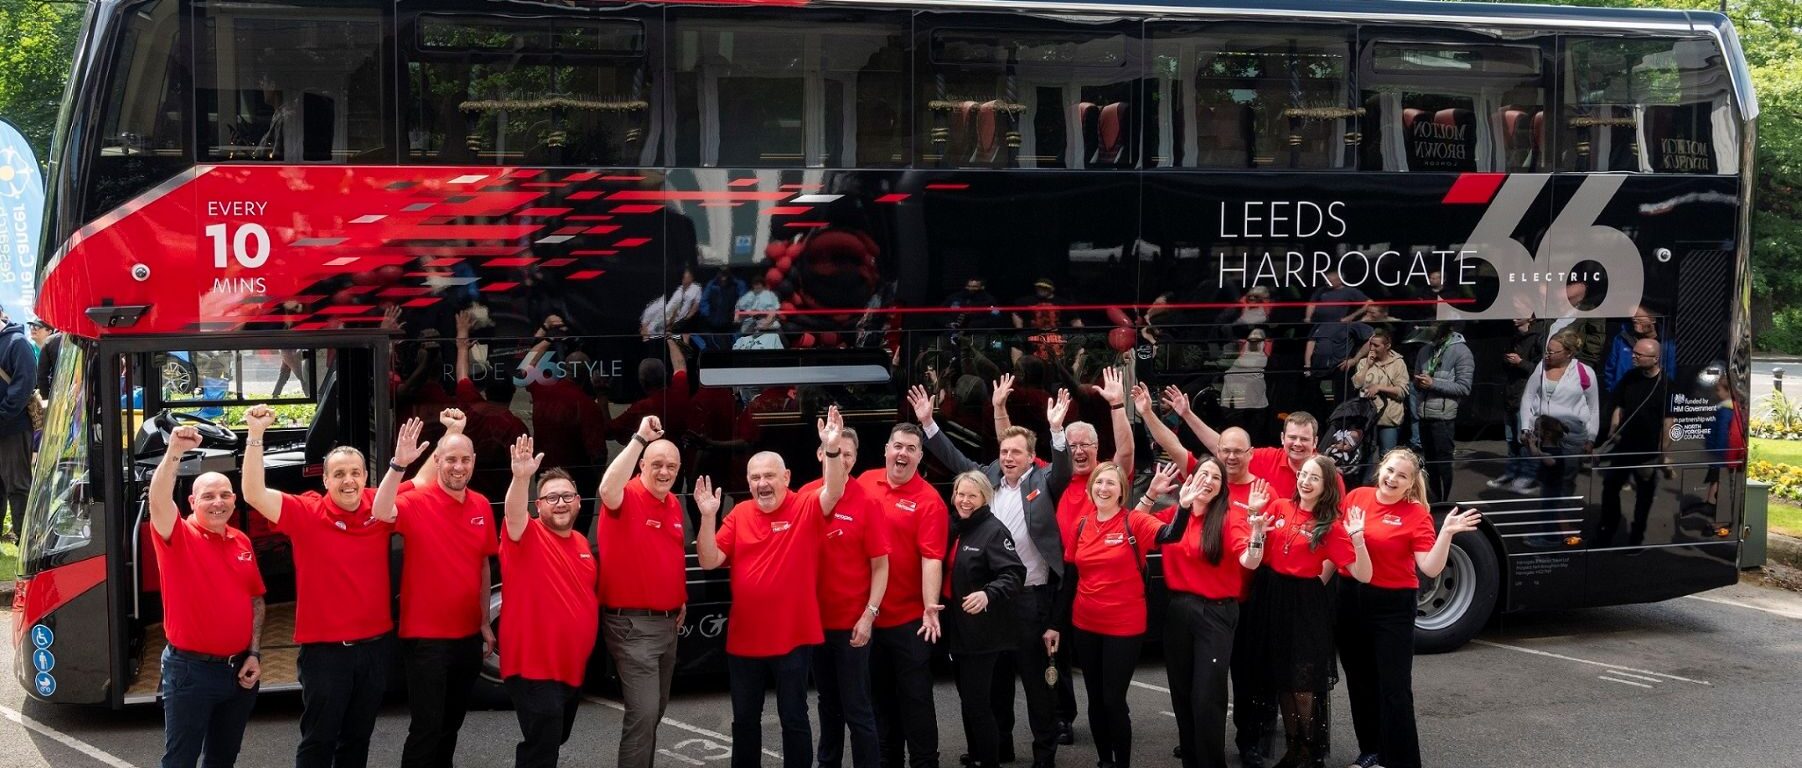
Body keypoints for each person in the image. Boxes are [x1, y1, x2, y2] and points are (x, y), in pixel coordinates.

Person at [912, 383, 1072, 768]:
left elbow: (1064, 469)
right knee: (996, 683)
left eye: (1016, 452)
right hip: (991, 601)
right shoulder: (987, 478)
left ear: (1033, 458)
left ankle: (1044, 756)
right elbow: (953, 459)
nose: (1009, 457)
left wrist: (1056, 431)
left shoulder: (1043, 483)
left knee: (1036, 685)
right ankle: (998, 748)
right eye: (1004, 451)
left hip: (1031, 598)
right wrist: (929, 424)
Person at [240, 404, 397, 768]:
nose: (348, 480)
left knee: (357, 740)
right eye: (339, 473)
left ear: (366, 477)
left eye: (355, 473)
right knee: (319, 741)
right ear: (325, 480)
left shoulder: (380, 505)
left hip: (375, 650)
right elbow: (252, 492)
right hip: (327, 655)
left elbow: (423, 482)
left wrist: (451, 432)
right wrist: (256, 434)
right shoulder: (306, 512)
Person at [696, 406, 853, 768]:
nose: (761, 483)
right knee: (745, 721)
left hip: (792, 637)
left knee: (794, 717)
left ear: (786, 477)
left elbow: (834, 489)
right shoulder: (739, 514)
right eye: (754, 477)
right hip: (745, 640)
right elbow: (708, 559)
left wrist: (831, 449)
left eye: (769, 476)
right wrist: (707, 517)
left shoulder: (805, 507)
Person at [990, 366, 1134, 749]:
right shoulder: (1047, 475)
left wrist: (1118, 405)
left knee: (1078, 653)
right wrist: (1000, 406)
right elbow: (1010, 445)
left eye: (1087, 443)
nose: (1080, 450)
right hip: (1055, 577)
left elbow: (1127, 452)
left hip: (1091, 579)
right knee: (1053, 651)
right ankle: (1060, 717)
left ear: (1095, 446)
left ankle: (1086, 720)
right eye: (1073, 445)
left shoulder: (1105, 478)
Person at [1336, 450, 1481, 768]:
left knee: (1394, 688)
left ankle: (1400, 761)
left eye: (1401, 475)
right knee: (1359, 681)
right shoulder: (1357, 497)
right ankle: (1370, 752)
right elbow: (1337, 543)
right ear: (1379, 469)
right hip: (1350, 597)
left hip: (1393, 605)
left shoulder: (1416, 514)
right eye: (1389, 471)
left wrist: (1447, 533)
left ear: (1411, 483)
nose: (1392, 478)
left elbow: (1429, 568)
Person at [372, 420, 498, 768]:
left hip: (468, 636)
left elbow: (483, 565)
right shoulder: (415, 501)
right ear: (438, 461)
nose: (458, 467)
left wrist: (485, 621)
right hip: (426, 639)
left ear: (473, 461)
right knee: (427, 726)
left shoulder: (482, 505)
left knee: (451, 724)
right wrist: (398, 464)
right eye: (450, 459)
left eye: (465, 460)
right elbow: (380, 511)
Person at [1049, 462, 1191, 768]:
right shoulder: (1082, 525)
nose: (1103, 488)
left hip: (1124, 627)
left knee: (1113, 701)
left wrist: (1185, 506)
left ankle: (1122, 763)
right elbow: (1070, 579)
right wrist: (1055, 625)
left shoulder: (1134, 521)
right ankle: (1105, 761)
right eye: (1099, 483)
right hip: (1085, 624)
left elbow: (1170, 534)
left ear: (1122, 491)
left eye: (1111, 484)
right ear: (1091, 488)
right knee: (1096, 700)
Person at [1241, 457, 1371, 768]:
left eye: (1315, 478)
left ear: (1326, 487)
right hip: (1272, 595)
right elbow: (1255, 555)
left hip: (1304, 602)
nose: (1306, 481)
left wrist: (1358, 539)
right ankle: (1295, 747)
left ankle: (1310, 752)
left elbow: (1363, 574)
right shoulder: (1279, 507)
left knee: (1303, 682)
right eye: (1303, 475)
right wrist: (1255, 521)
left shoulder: (1332, 527)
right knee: (1282, 678)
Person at [149, 426, 264, 768]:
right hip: (190, 672)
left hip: (239, 671)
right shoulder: (177, 534)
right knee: (180, 760)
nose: (218, 502)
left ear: (234, 499)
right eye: (208, 496)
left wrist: (254, 654)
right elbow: (157, 499)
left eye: (225, 495)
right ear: (192, 502)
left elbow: (256, 600)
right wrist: (174, 453)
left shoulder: (241, 540)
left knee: (223, 759)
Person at [499, 436, 601, 768]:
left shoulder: (582, 542)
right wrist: (521, 477)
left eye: (567, 496)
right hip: (533, 668)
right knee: (541, 748)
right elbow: (514, 513)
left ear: (579, 502)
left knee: (553, 740)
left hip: (569, 669)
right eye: (551, 497)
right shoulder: (525, 535)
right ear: (538, 505)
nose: (560, 503)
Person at [1158, 457, 1265, 768]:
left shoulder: (1230, 518)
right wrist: (1152, 494)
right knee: (1181, 692)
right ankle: (1191, 757)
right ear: (1190, 480)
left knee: (1207, 696)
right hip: (1178, 609)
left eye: (1215, 478)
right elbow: (1135, 525)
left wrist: (1257, 532)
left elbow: (1250, 560)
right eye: (1202, 473)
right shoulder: (1176, 513)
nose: (1208, 480)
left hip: (1215, 614)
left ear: (1221, 489)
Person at [595, 416, 689, 768]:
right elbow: (606, 489)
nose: (665, 472)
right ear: (642, 465)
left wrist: (679, 596)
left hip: (666, 625)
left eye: (672, 467)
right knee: (645, 714)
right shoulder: (627, 495)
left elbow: (667, 553)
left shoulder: (672, 503)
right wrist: (639, 438)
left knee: (654, 712)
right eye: (658, 465)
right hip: (632, 627)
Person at [859, 423, 949, 768]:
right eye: (898, 446)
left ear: (920, 456)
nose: (903, 453)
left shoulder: (929, 501)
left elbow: (931, 559)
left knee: (916, 701)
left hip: (909, 621)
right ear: (885, 449)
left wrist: (930, 606)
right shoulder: (864, 483)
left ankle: (926, 762)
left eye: (911, 448)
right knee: (878, 701)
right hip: (868, 617)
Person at [810, 427, 891, 768]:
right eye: (834, 451)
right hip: (814, 626)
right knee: (827, 705)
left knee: (857, 708)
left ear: (855, 459)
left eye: (848, 454)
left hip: (851, 627)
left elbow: (880, 567)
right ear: (820, 454)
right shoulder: (806, 496)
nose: (841, 459)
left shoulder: (868, 502)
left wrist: (868, 615)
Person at [943, 471, 1028, 768]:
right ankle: (977, 753)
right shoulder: (956, 526)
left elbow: (1015, 573)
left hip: (982, 633)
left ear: (984, 498)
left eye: (971, 496)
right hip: (957, 628)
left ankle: (990, 760)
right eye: (960, 494)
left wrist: (988, 594)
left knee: (978, 704)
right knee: (968, 701)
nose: (964, 501)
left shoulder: (993, 531)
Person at [1597, 338, 1673, 546]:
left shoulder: (1666, 385)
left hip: (1647, 450)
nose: (1634, 356)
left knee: (1644, 495)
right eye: (1634, 352)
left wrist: (1662, 453)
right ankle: (1608, 529)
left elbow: (1668, 423)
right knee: (1610, 486)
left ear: (1655, 358)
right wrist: (1613, 431)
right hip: (1624, 445)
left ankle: (1637, 536)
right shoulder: (1630, 377)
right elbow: (1620, 407)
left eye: (1639, 355)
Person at [1518, 330, 1600, 497]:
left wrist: (1591, 438)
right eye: (1546, 350)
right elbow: (1527, 398)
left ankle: (1562, 516)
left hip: (1572, 437)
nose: (1547, 355)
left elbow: (1594, 408)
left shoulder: (1585, 373)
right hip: (1544, 435)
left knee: (1566, 480)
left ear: (1569, 353)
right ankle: (1552, 514)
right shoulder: (1540, 367)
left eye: (1552, 352)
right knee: (1547, 479)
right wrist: (1525, 428)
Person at [1411, 322, 1473, 503]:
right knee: (1430, 463)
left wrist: (1433, 384)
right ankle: (1435, 500)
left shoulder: (1462, 352)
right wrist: (1417, 383)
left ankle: (1446, 501)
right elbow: (1416, 379)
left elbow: (1464, 388)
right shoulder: (1425, 350)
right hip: (1424, 415)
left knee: (1444, 464)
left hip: (1443, 418)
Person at [1489, 316, 1546, 493]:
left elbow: (1542, 369)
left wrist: (1520, 362)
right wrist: (1507, 361)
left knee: (1525, 440)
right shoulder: (1514, 338)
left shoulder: (1539, 337)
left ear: (1531, 316)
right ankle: (1512, 471)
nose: (1513, 317)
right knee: (1510, 439)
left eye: (1519, 313)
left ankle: (1528, 475)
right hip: (1511, 394)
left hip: (1526, 396)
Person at [0, 314, 37, 542]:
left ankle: (25, 536)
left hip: (13, 426)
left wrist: (2, 414)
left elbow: (24, 385)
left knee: (18, 484)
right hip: (7, 421)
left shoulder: (17, 343)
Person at [1351, 329, 1409, 470]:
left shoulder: (1398, 363)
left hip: (1389, 418)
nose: (1372, 348)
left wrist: (1379, 387)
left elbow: (1402, 391)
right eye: (1371, 344)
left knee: (1387, 456)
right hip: (1368, 418)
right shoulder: (1364, 362)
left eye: (1376, 346)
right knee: (1366, 455)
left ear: (1387, 346)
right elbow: (1356, 384)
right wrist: (1367, 366)